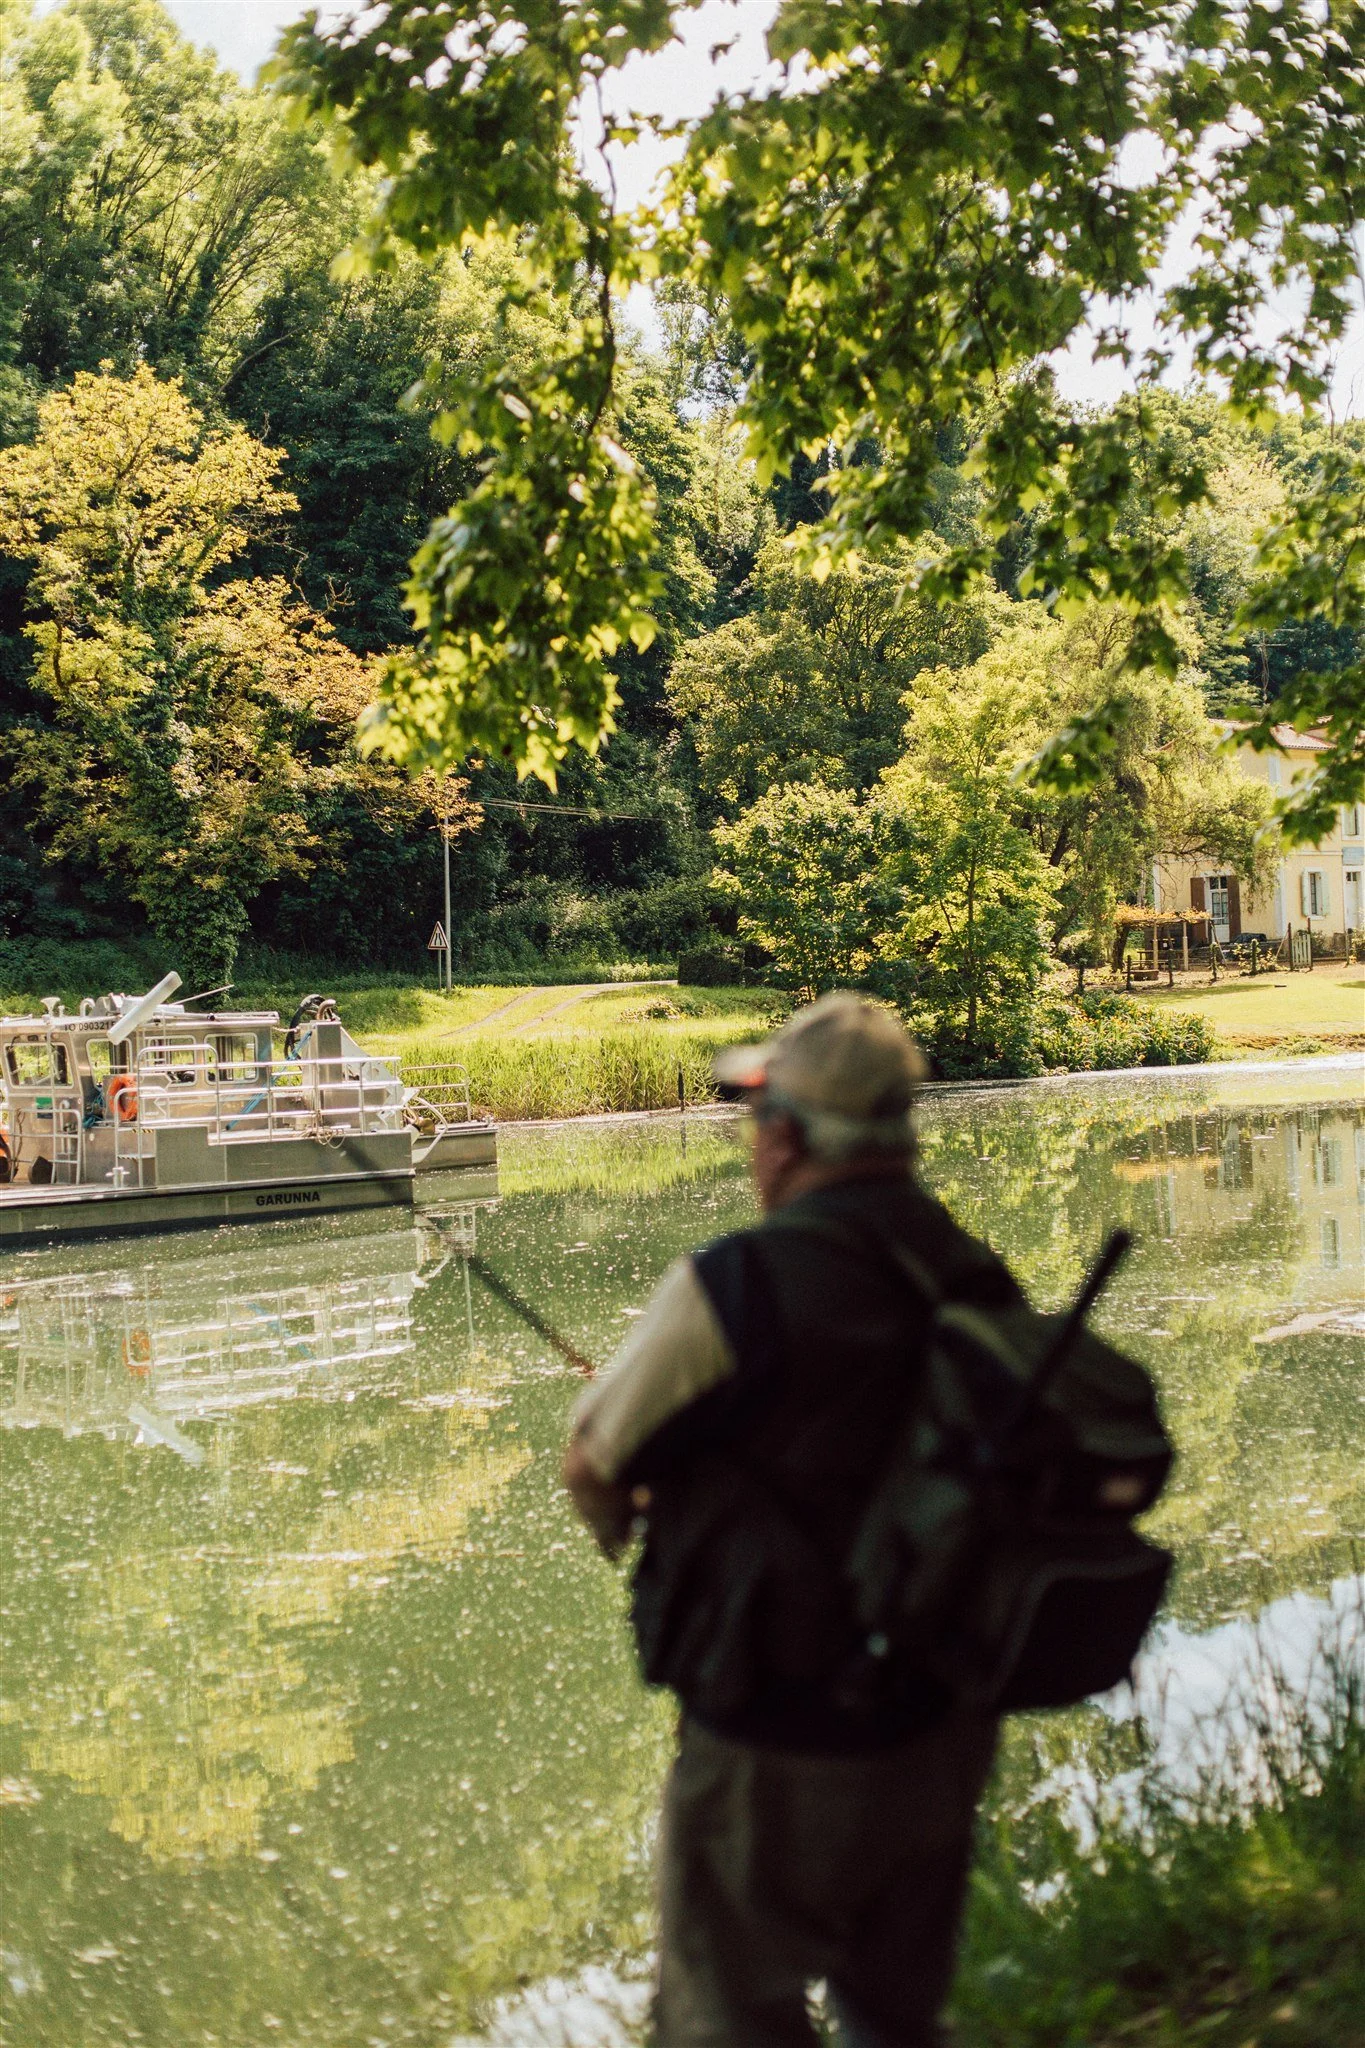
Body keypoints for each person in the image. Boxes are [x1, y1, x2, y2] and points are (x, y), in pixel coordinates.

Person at [563, 992, 1024, 2047]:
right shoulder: (968, 1270)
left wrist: (632, 1521)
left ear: (786, 1135)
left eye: (758, 1117)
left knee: (727, 2020)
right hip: (939, 1723)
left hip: (776, 1731)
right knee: (899, 2019)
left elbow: (592, 1466)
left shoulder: (735, 1284)